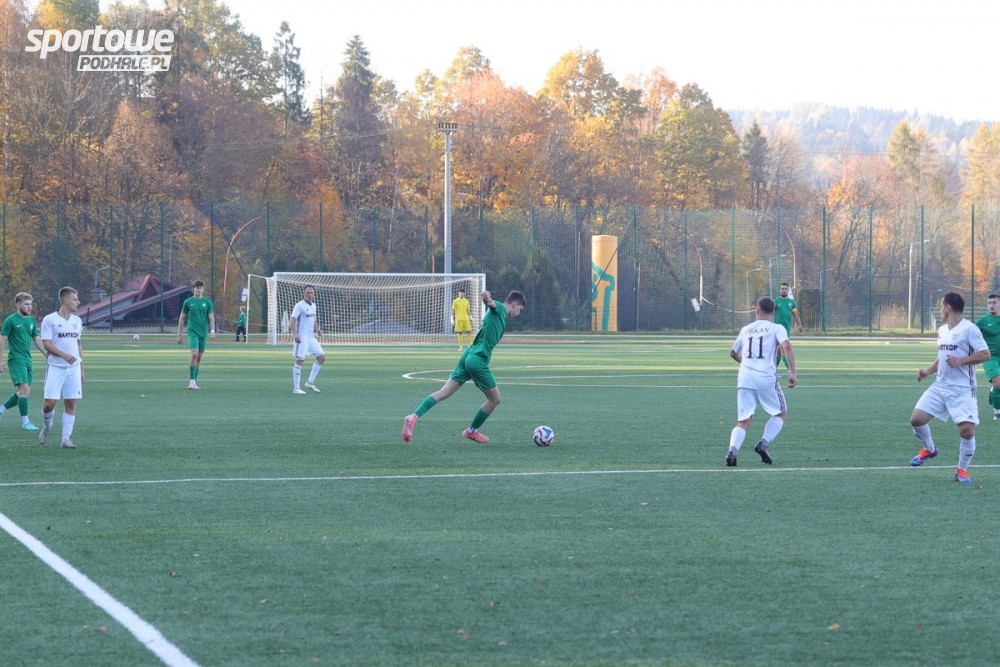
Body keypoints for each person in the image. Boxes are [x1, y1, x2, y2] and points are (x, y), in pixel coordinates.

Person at [402, 290, 525, 444]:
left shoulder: (499, 314)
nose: (519, 313)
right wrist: (487, 299)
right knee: (495, 399)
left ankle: (413, 416)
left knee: (443, 392)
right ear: (515, 304)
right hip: (478, 360)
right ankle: (471, 431)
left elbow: (491, 306)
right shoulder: (500, 308)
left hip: (468, 355)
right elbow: (491, 304)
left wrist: (488, 301)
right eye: (520, 309)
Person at [909, 292, 990, 484]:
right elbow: (942, 357)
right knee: (916, 420)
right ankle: (929, 449)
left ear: (948, 308)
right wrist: (927, 372)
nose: (939, 310)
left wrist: (962, 360)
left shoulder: (970, 329)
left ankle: (961, 471)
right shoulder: (942, 330)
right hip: (940, 385)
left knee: (967, 431)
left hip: (962, 389)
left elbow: (985, 354)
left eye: (940, 307)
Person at [726, 296, 796, 467]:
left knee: (743, 420)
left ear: (756, 311)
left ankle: (732, 451)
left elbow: (733, 353)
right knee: (780, 413)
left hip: (745, 378)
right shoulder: (776, 328)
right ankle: (763, 443)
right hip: (766, 378)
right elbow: (786, 346)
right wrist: (792, 372)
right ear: (774, 313)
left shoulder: (746, 329)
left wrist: (748, 364)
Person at [39, 286, 84, 449]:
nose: (78, 302)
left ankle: (66, 439)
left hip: (74, 368)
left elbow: (78, 345)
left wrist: (82, 369)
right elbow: (46, 344)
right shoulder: (49, 320)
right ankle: (47, 426)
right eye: (75, 299)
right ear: (65, 301)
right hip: (56, 367)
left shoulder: (77, 321)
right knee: (49, 404)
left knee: (70, 402)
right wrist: (64, 356)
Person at [0, 292, 47, 431]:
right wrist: (0, 360)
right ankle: (25, 422)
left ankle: (1, 410)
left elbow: (37, 339)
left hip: (28, 359)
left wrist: (47, 355)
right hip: (16, 359)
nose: (29, 307)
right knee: (24, 389)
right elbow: (2, 339)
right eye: (26, 304)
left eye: (30, 304)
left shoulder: (31, 320)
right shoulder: (11, 320)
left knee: (25, 392)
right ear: (18, 304)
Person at [177, 280, 215, 390]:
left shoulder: (207, 302)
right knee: (194, 354)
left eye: (201, 288)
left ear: (203, 289)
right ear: (193, 289)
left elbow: (211, 317)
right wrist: (179, 335)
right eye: (197, 288)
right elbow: (182, 318)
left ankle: (194, 382)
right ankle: (191, 381)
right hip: (192, 332)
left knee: (199, 358)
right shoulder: (188, 302)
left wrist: (212, 330)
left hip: (203, 333)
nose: (199, 290)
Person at [290, 285, 325, 394]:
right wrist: (295, 334)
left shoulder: (313, 306)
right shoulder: (299, 305)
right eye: (308, 293)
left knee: (321, 357)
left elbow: (313, 320)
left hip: (311, 338)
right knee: (300, 360)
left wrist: (317, 329)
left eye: (311, 293)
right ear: (304, 293)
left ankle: (310, 382)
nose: (310, 295)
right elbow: (292, 320)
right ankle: (296, 388)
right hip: (302, 337)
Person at [974, 293, 1000, 420]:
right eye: (989, 303)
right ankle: (997, 412)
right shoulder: (982, 321)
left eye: (994, 303)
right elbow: (970, 335)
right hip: (990, 358)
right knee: (998, 383)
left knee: (997, 385)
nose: (991, 305)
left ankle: (992, 391)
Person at [773, 282, 803, 369]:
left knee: (779, 350)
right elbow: (771, 313)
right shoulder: (775, 302)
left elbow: (795, 314)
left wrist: (799, 324)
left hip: (786, 329)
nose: (784, 290)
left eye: (785, 289)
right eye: (782, 289)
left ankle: (773, 369)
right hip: (777, 329)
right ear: (780, 290)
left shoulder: (792, 303)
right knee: (781, 349)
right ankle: (789, 369)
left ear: (788, 290)